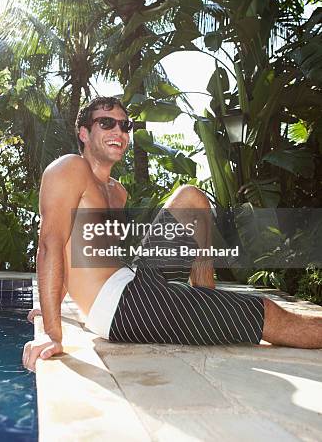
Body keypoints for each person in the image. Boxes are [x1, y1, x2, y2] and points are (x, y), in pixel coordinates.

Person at [22, 97, 322, 372]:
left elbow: (79, 252)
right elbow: (51, 245)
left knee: (192, 198)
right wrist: (51, 331)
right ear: (84, 134)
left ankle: (205, 291)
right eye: (106, 123)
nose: (119, 131)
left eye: (125, 125)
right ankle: (205, 304)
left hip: (137, 280)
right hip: (124, 308)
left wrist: (57, 299)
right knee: (267, 314)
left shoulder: (117, 192)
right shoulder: (69, 168)